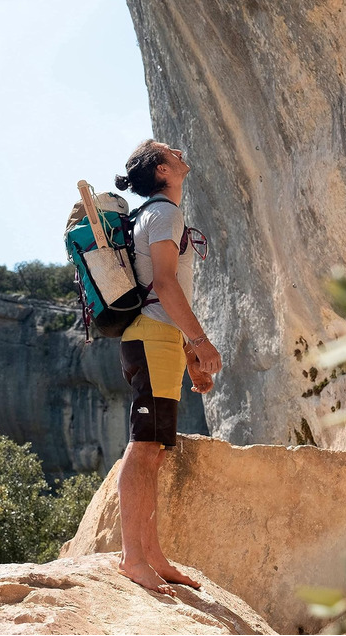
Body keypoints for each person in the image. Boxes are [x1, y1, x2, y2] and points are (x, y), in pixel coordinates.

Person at [113, 139, 222, 596]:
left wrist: (189, 356)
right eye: (169, 152)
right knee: (143, 448)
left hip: (158, 340)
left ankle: (152, 554)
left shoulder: (160, 214)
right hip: (151, 339)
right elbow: (163, 283)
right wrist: (200, 342)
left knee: (154, 449)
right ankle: (132, 557)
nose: (179, 152)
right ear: (161, 169)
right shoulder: (163, 214)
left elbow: (163, 293)